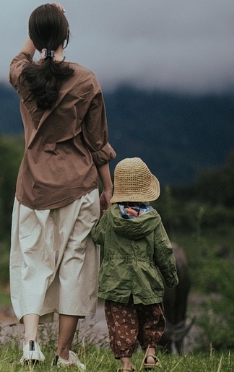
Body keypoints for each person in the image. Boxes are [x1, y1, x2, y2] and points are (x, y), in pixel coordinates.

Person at [9, 2, 116, 369]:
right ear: (68, 35)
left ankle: (30, 346)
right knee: (76, 268)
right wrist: (108, 190)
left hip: (33, 188)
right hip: (79, 186)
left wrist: (39, 32)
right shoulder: (86, 80)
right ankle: (63, 354)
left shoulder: (24, 77)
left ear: (36, 39)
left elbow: (21, 56)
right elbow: (97, 143)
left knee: (33, 264)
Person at [91, 157, 178, 371]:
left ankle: (126, 363)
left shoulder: (111, 217)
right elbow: (164, 250)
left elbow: (96, 236)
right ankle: (150, 355)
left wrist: (101, 214)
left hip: (116, 284)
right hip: (147, 282)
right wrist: (171, 277)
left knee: (121, 323)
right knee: (151, 319)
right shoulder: (153, 219)